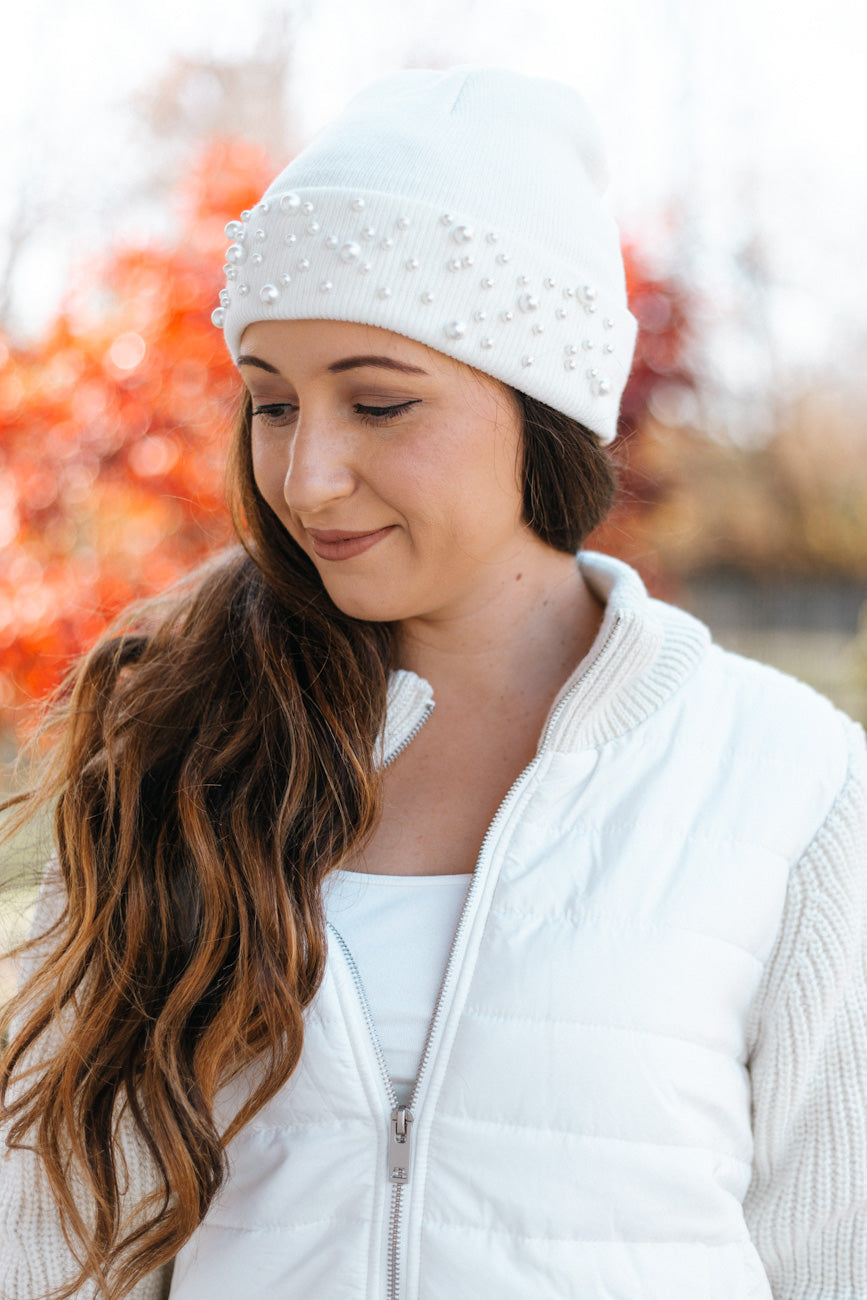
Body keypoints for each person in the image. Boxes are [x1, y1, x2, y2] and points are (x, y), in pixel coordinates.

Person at [2, 65, 866, 1300]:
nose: (307, 477)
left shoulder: (790, 779)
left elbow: (839, 1256)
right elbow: (54, 1239)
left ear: (541, 406)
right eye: (274, 404)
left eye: (379, 402)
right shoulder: (168, 747)